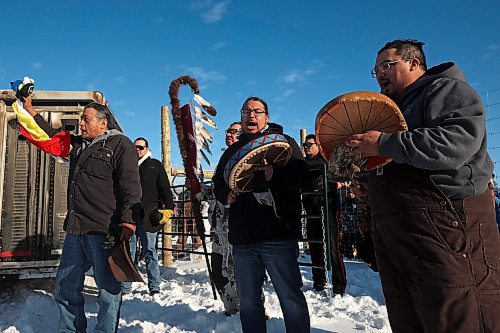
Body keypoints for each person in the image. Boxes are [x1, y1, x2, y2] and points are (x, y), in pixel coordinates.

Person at [346, 39, 500, 333]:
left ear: (414, 63)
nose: (379, 73)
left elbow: (456, 143)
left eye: (386, 65)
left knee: (457, 312)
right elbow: (397, 162)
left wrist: (382, 142)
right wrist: (370, 184)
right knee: (412, 315)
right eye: (375, 69)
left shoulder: (446, 90)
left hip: (447, 228)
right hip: (402, 234)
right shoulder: (390, 109)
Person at [22, 95, 142, 332]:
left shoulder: (120, 145)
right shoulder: (79, 146)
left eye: (86, 119)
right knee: (65, 287)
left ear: (103, 123)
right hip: (76, 230)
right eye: (81, 119)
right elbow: (51, 135)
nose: (81, 123)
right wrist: (29, 109)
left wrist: (128, 222)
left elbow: (131, 186)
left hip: (104, 231)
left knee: (108, 291)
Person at [213, 96, 310, 332]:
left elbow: (302, 176)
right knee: (248, 302)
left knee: (290, 297)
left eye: (257, 111)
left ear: (267, 116)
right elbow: (218, 182)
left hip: (277, 235)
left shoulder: (284, 142)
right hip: (243, 237)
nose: (251, 116)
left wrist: (273, 175)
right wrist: (226, 194)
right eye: (246, 112)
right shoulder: (233, 151)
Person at [122, 137, 174, 296]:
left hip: (149, 215)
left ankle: (154, 285)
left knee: (150, 250)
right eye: (135, 147)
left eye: (140, 147)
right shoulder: (126, 166)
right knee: (128, 251)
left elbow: (165, 188)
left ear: (147, 148)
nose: (137, 150)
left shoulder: (155, 165)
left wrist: (169, 208)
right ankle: (125, 286)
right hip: (129, 215)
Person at [302, 134, 346, 294]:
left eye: (309, 144)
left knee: (333, 247)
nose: (306, 147)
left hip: (328, 207)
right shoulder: (303, 165)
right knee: (315, 246)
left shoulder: (326, 162)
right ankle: (318, 281)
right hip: (311, 209)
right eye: (305, 145)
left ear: (318, 146)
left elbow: (339, 177)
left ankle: (339, 285)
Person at [207, 122, 242, 315]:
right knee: (219, 269)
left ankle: (252, 308)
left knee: (241, 270)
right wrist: (197, 189)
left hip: (238, 226)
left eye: (234, 131)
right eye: (228, 130)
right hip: (218, 226)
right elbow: (215, 190)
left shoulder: (245, 157)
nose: (229, 134)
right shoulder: (223, 158)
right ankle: (230, 306)